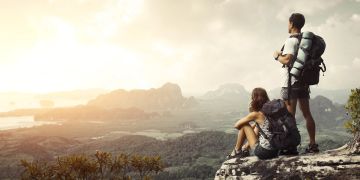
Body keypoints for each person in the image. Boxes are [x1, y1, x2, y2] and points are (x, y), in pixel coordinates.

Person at [272, 13, 319, 153]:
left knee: (289, 116)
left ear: (292, 23)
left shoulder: (291, 41)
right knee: (307, 114)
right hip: (303, 82)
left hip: (290, 82)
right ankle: (312, 144)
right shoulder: (305, 41)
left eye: (288, 22)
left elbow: (287, 60)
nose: (287, 25)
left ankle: (290, 146)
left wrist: (276, 56)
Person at [227, 88, 279, 160]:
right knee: (256, 127)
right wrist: (255, 123)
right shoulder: (271, 112)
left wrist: (251, 112)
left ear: (254, 99)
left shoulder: (256, 114)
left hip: (264, 152)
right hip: (275, 151)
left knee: (244, 125)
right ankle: (244, 149)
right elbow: (257, 132)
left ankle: (237, 151)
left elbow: (237, 125)